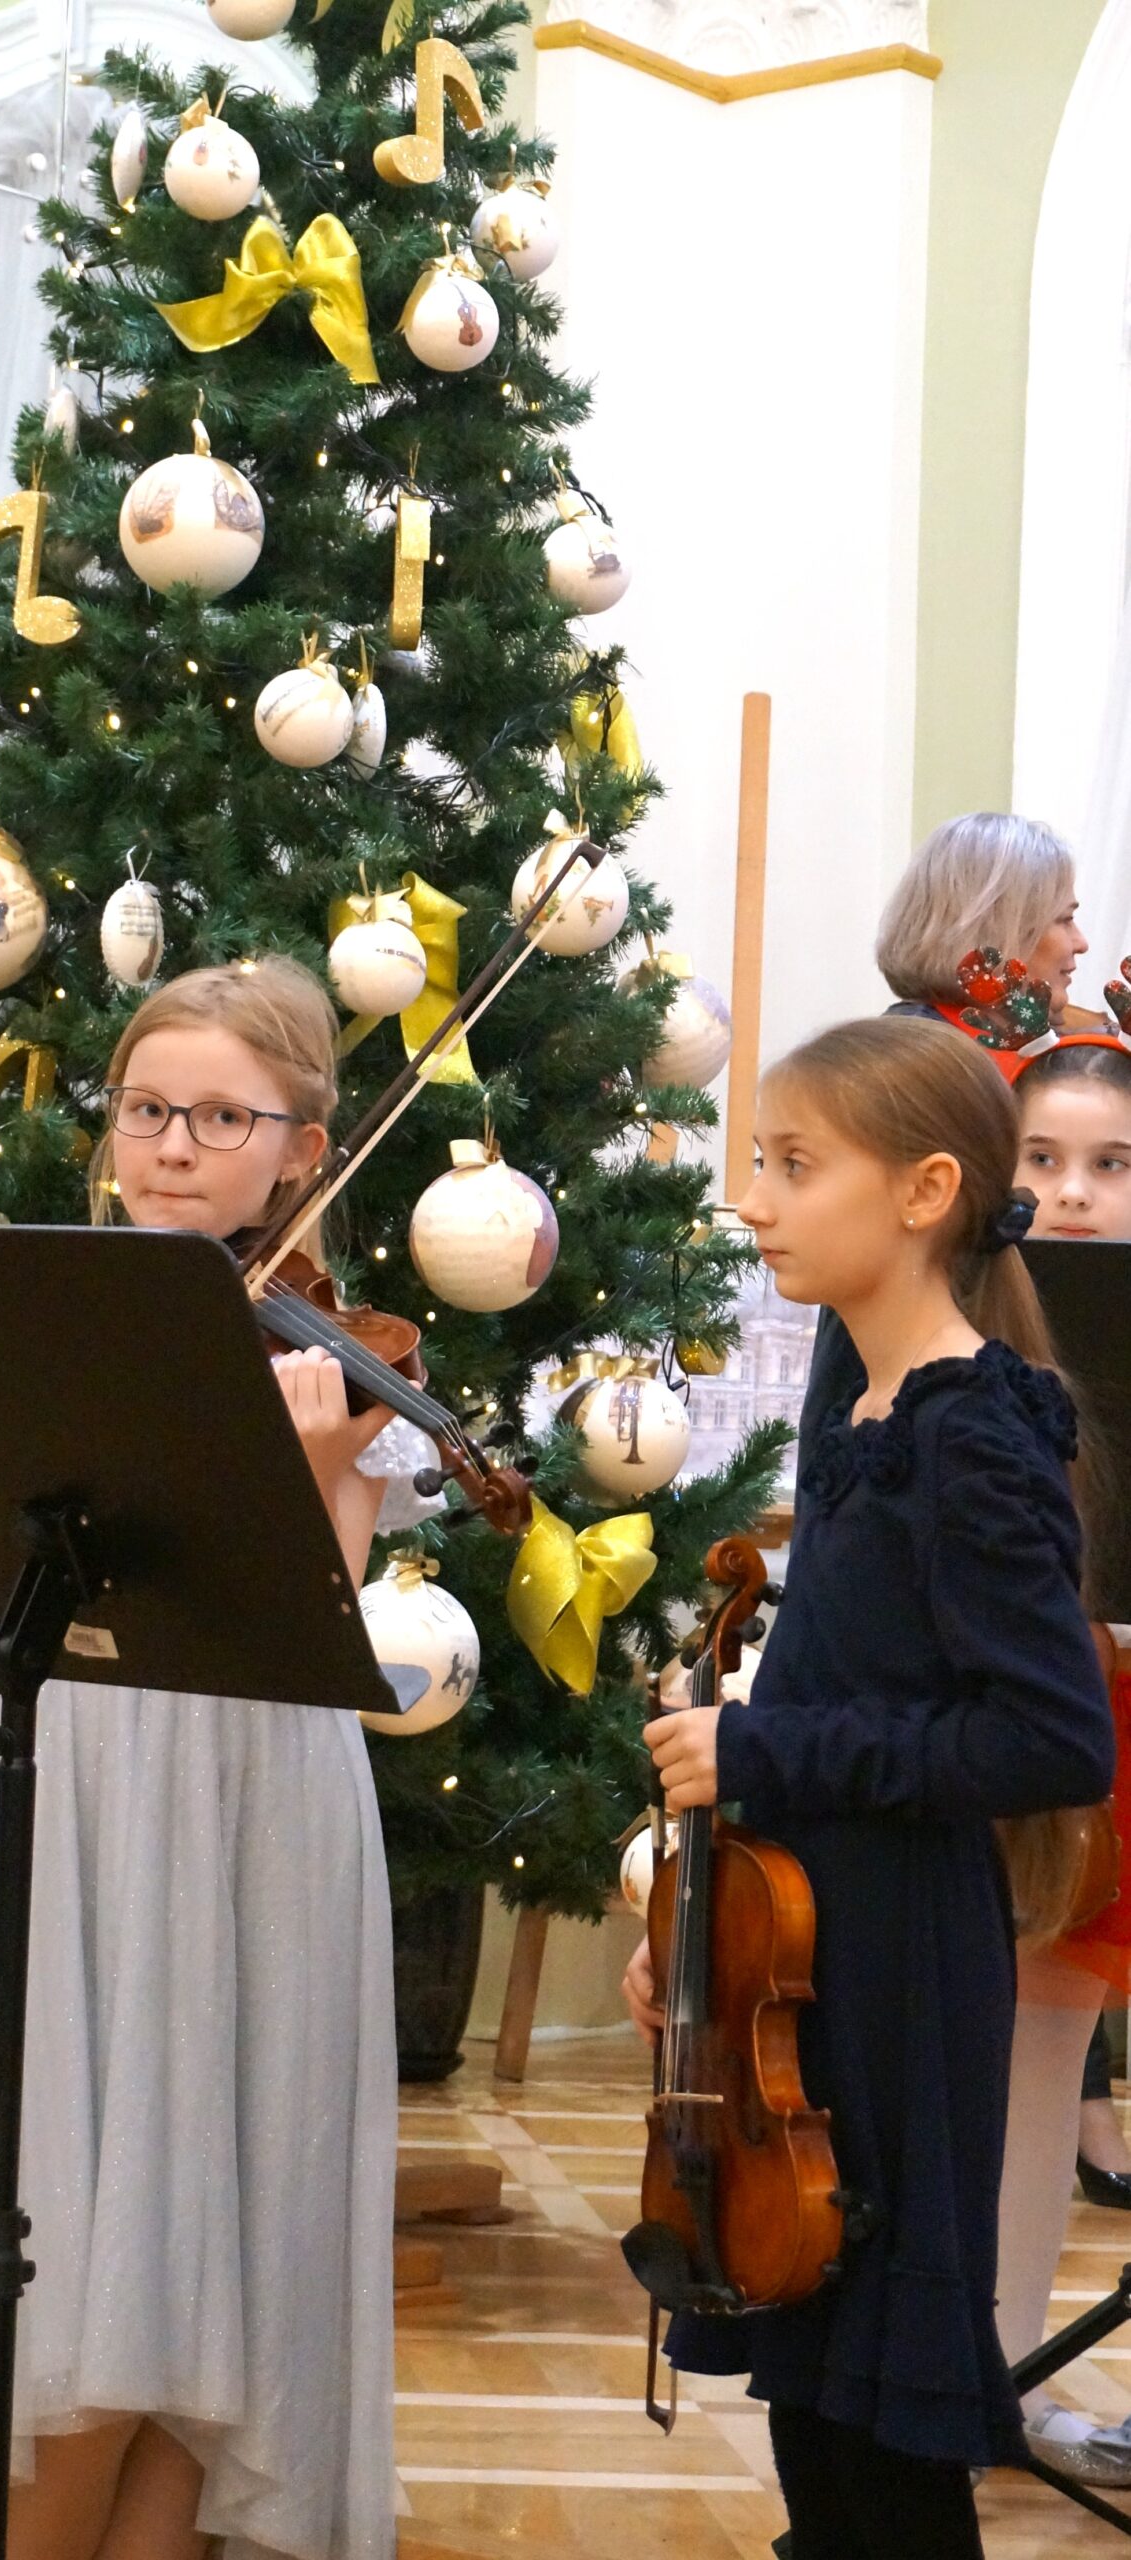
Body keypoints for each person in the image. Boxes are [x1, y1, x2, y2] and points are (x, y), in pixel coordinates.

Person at [0, 957, 407, 2560]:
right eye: (145, 1110)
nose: (172, 1146)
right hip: (75, 1770)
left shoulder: (331, 1353)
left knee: (221, 2224)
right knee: (78, 2214)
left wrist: (312, 1459)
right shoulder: (55, 1320)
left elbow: (318, 1629)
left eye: (220, 1118)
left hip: (252, 1794)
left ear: (301, 1148)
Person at [623, 1015, 1114, 2560]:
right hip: (812, 1950)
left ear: (919, 1193)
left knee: (879, 2435)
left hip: (904, 1966)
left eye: (788, 1164)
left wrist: (762, 1750)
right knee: (811, 2397)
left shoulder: (969, 1432)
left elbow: (1049, 1741)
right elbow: (852, 1689)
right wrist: (694, 1938)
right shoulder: (861, 1411)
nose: (752, 1199)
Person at [994, 1030, 1131, 2484]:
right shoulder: (974, 1334)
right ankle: (999, 2374)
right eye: (1039, 1163)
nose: (1071, 1195)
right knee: (1036, 2043)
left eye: (1106, 1166)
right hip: (1056, 1712)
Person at [796, 812, 1085, 1460]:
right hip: (916, 1444)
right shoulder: (924, 1074)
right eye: (1063, 918)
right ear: (999, 926)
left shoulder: (943, 1051)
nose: (1081, 943)